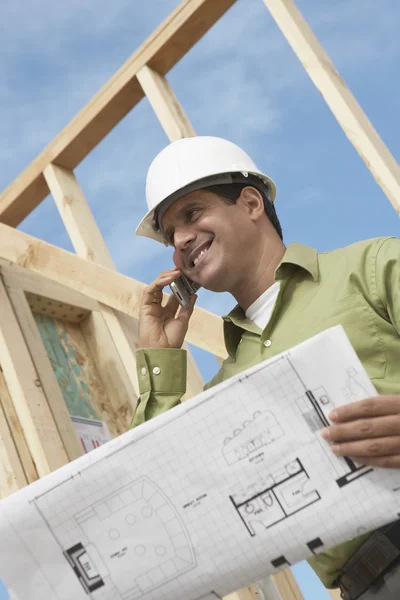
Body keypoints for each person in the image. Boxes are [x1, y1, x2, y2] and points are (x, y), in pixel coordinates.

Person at [132, 135, 400, 599]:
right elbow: (171, 500)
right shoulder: (227, 391)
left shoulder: (373, 267)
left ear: (251, 203)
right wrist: (161, 363)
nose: (179, 240)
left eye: (191, 214)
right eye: (171, 234)